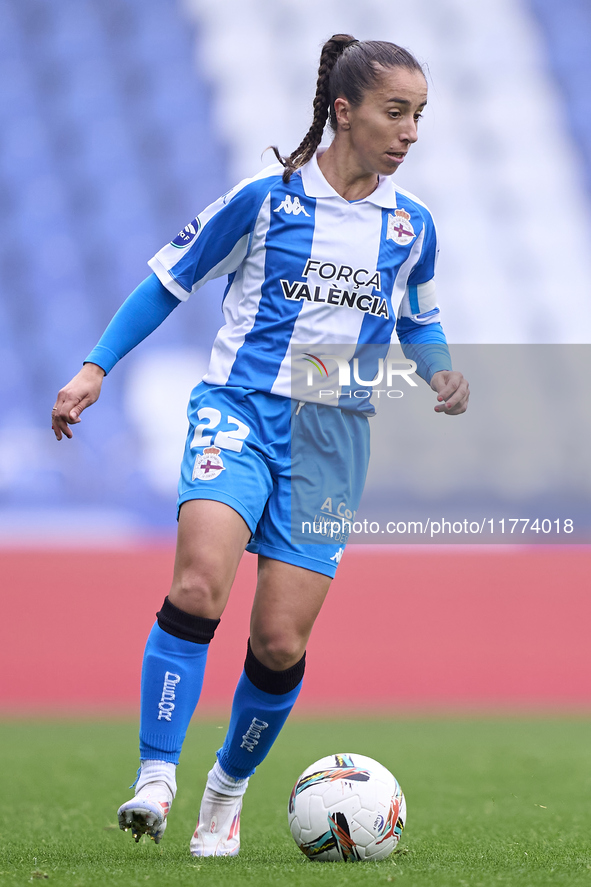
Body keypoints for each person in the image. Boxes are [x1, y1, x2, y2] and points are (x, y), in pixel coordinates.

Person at [52, 34, 469, 857]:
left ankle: (224, 793)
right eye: (395, 112)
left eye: (419, 115)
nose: (410, 132)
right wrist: (94, 367)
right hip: (239, 412)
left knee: (280, 641)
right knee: (201, 583)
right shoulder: (265, 199)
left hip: (332, 438)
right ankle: (156, 774)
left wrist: (440, 372)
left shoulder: (411, 227)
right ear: (343, 112)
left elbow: (419, 317)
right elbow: (166, 280)